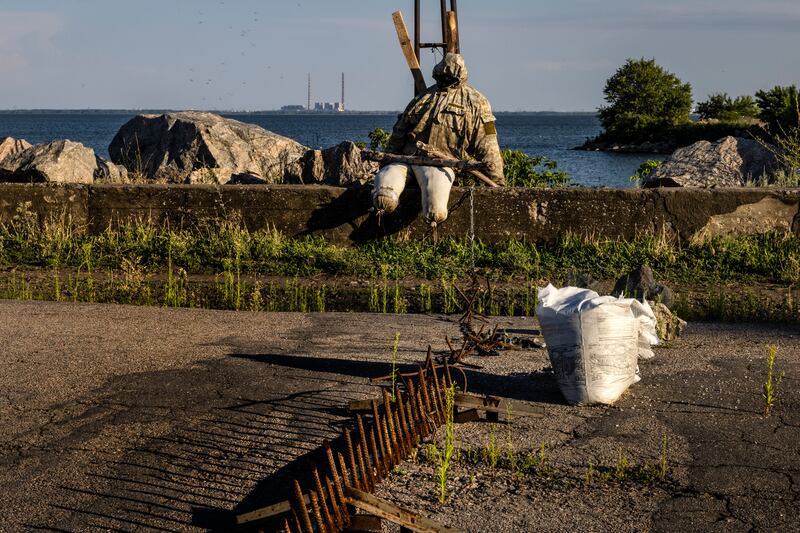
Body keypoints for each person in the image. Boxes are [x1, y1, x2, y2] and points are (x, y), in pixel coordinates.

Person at [372, 53, 505, 226]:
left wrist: (497, 181)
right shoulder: (422, 99)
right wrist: (387, 160)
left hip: (443, 165)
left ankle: (432, 222)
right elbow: (400, 131)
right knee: (386, 186)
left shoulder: (478, 102)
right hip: (407, 160)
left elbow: (488, 141)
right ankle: (383, 205)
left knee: (435, 204)